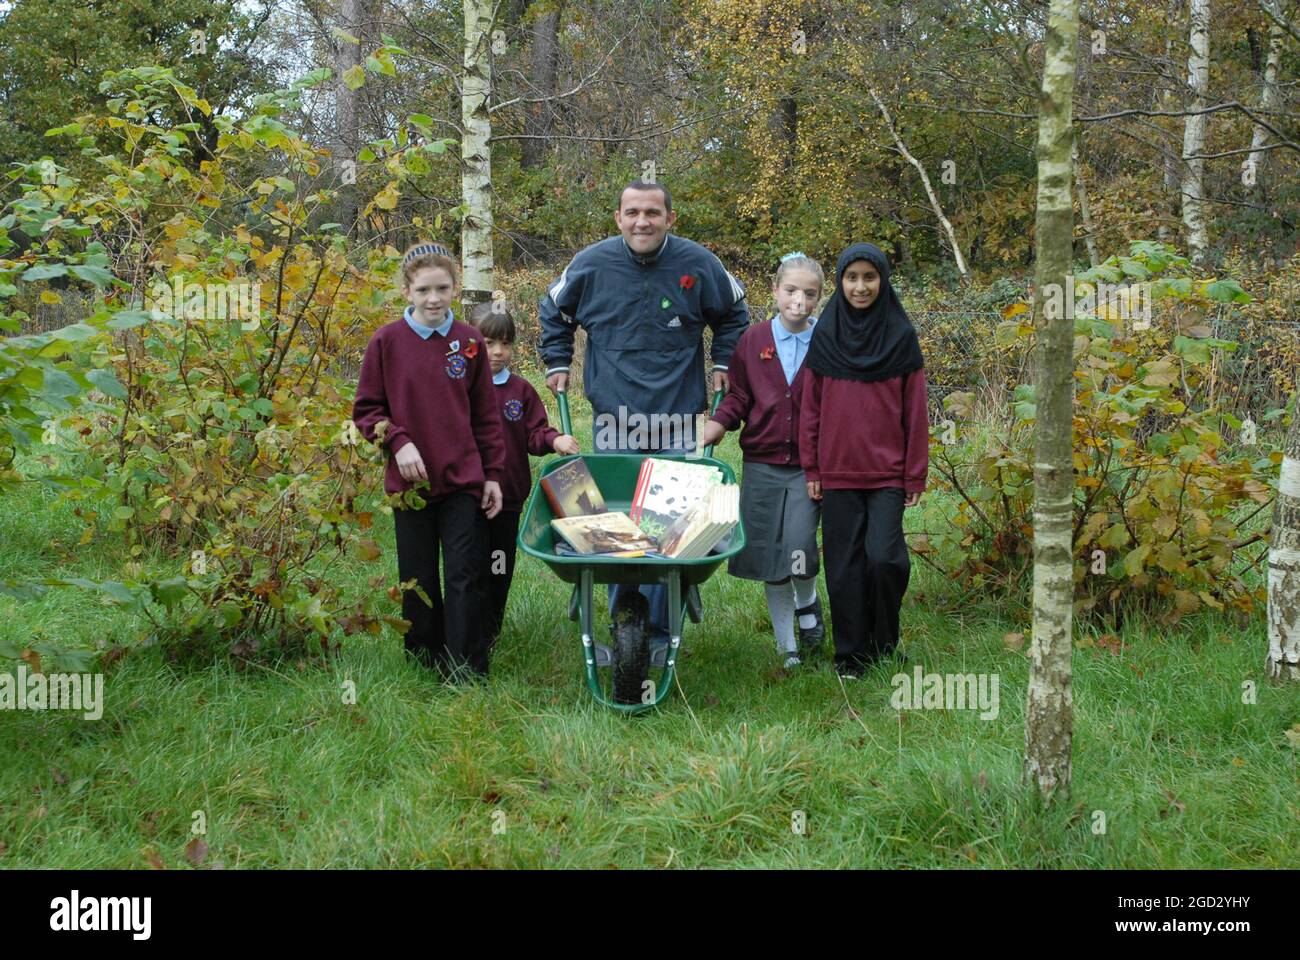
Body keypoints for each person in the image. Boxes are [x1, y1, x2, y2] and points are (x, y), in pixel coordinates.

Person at [539, 180, 749, 653]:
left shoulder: (698, 263)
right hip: (616, 418)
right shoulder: (592, 264)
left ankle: (658, 629)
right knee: (619, 531)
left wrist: (722, 361)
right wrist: (557, 360)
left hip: (679, 418)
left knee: (668, 527)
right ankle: (624, 622)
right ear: (618, 218)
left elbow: (734, 311)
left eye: (653, 213)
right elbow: (553, 308)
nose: (642, 221)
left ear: (670, 219)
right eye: (632, 212)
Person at [352, 242, 506, 680]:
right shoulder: (386, 342)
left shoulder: (470, 342)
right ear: (406, 292)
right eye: (423, 290)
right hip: (411, 486)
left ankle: (466, 665)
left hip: (462, 481)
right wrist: (398, 442)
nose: (433, 298)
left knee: (465, 575)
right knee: (417, 577)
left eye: (442, 288)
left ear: (455, 288)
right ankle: (423, 658)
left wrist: (492, 475)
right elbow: (367, 411)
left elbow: (486, 416)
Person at [799, 243, 929, 679]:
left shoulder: (901, 336)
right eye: (851, 278)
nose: (859, 286)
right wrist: (812, 467)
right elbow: (810, 407)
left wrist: (914, 472)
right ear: (840, 281)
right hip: (836, 472)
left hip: (888, 473)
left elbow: (916, 412)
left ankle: (884, 643)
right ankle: (851, 655)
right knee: (844, 565)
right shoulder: (826, 335)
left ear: (883, 280)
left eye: (868, 277)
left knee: (885, 559)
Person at [698, 252, 827, 669]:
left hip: (809, 467)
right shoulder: (754, 341)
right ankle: (786, 646)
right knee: (772, 556)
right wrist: (718, 422)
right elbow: (739, 395)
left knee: (800, 547)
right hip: (763, 465)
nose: (799, 300)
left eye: (809, 294)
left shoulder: (826, 342)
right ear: (774, 291)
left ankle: (808, 602)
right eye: (791, 290)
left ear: (819, 299)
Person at [466, 300, 580, 643]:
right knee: (469, 567)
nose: (498, 352)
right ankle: (464, 629)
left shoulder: (521, 392)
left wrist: (555, 439)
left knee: (499, 566)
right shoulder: (460, 388)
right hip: (466, 496)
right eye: (489, 344)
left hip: (509, 498)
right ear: (472, 343)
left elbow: (534, 434)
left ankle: (491, 631)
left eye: (506, 343)